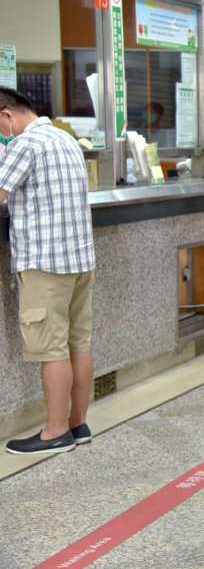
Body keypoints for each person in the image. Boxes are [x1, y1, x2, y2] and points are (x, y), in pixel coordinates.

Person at [0, 88, 96, 455]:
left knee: (51, 348)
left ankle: (54, 432)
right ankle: (77, 424)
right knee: (78, 344)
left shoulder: (25, 144)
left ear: (7, 115)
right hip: (79, 261)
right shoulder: (64, 137)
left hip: (45, 263)